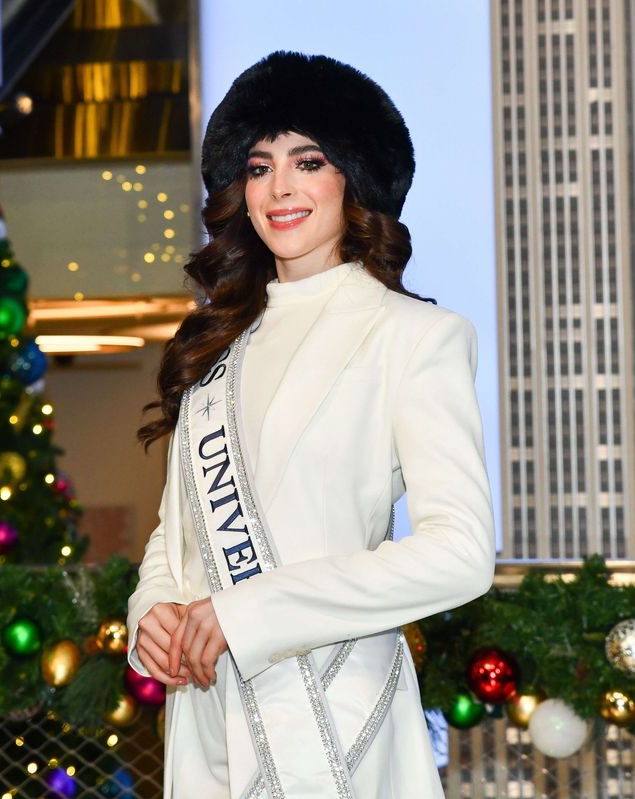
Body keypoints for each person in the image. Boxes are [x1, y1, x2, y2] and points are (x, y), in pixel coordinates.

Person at [128, 50, 495, 798]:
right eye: (259, 167)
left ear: (351, 180)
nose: (280, 187)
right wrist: (151, 613)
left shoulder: (413, 336)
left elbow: (460, 553)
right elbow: (177, 535)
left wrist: (252, 610)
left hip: (335, 724)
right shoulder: (213, 346)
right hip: (208, 721)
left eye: (308, 161)